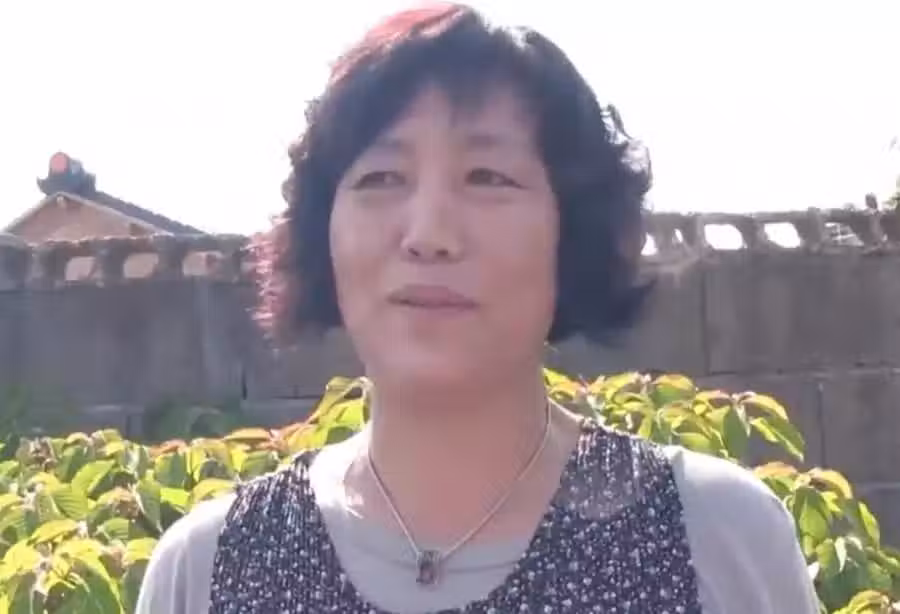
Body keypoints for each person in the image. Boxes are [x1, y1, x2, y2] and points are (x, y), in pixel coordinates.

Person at [136, 3, 819, 612]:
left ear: (572, 229)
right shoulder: (207, 571)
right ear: (324, 231)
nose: (428, 233)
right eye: (382, 178)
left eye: (487, 177)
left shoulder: (716, 540)